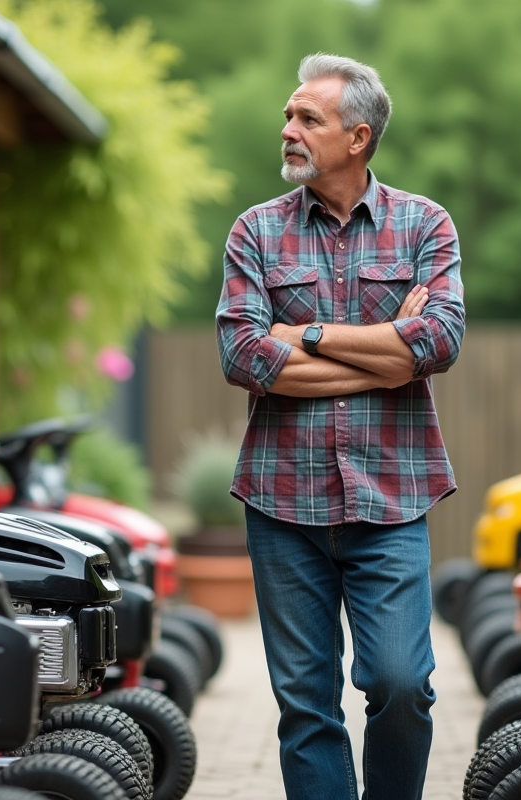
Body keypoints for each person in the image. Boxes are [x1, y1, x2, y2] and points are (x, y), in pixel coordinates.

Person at [214, 53, 465, 800]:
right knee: (305, 707)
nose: (287, 129)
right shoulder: (255, 232)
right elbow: (243, 355)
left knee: (401, 685)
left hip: (393, 498)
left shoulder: (425, 225)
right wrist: (388, 351)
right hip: (280, 502)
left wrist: (309, 335)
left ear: (357, 137)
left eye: (306, 118)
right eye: (289, 116)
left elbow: (440, 342)